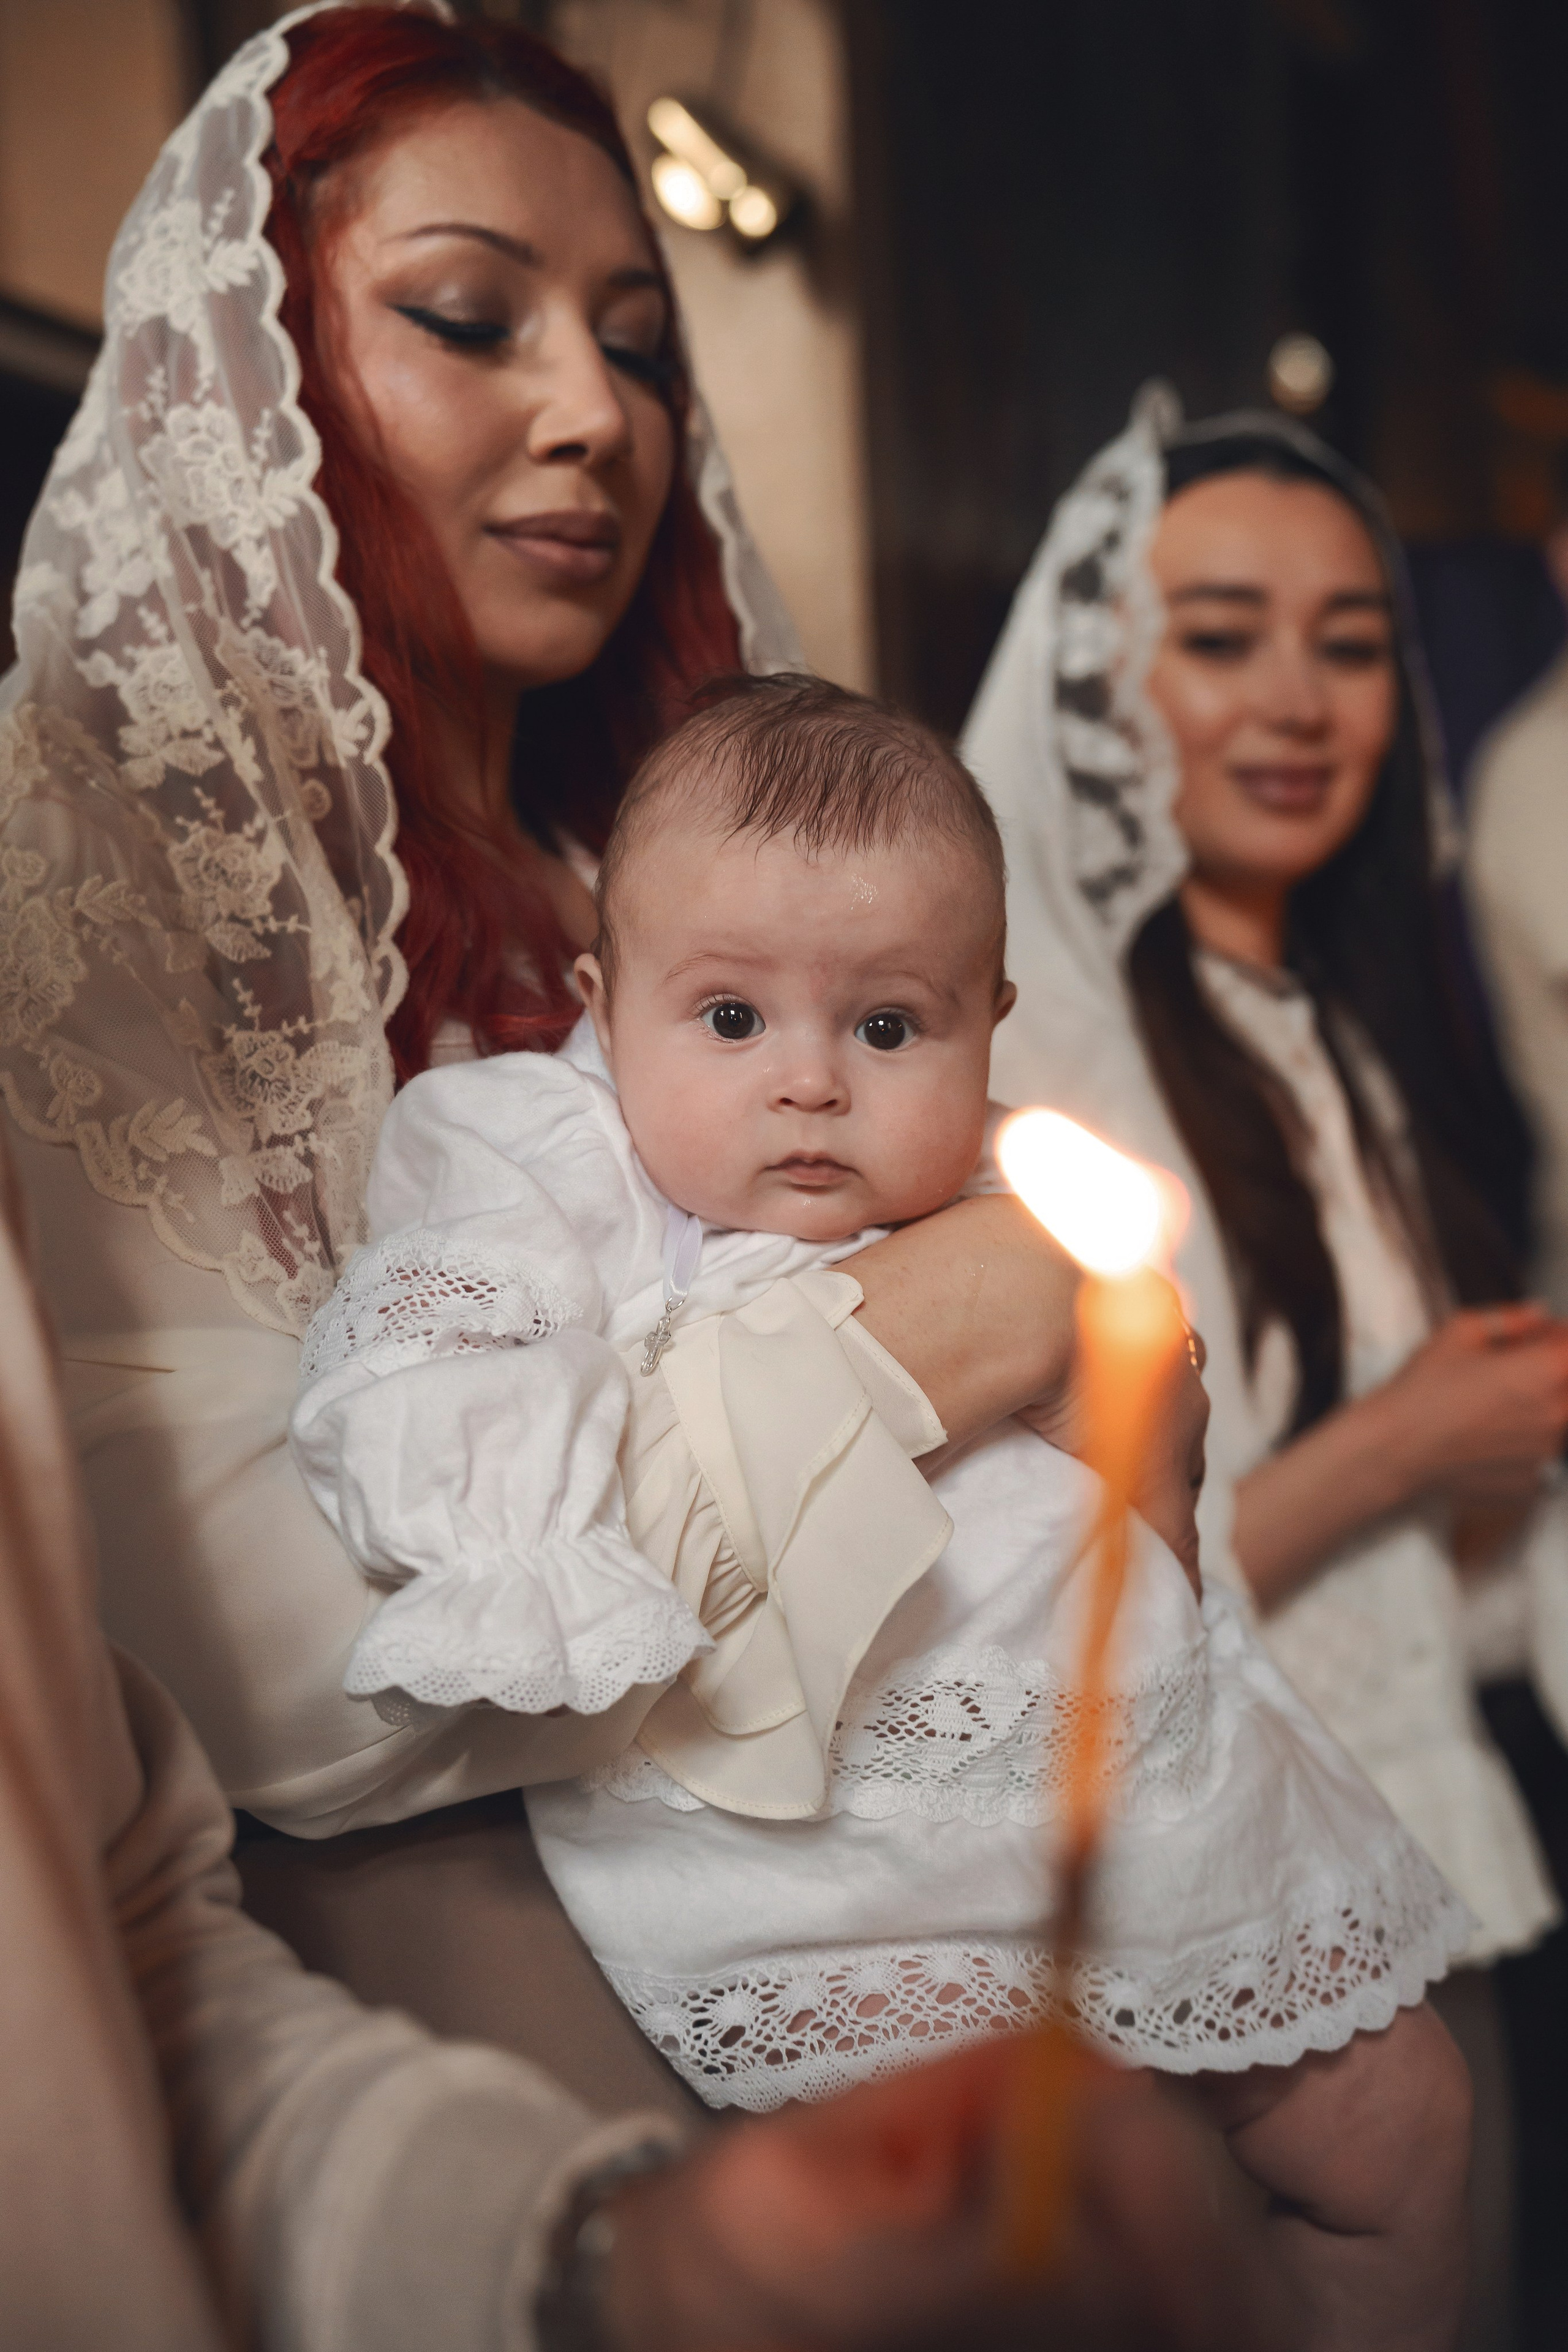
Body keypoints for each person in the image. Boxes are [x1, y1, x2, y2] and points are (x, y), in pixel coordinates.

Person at [0, 2, 1103, 2098]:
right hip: (389, 1979)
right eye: (468, 317)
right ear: (256, 379)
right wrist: (892, 1346)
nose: (597, 410)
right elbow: (246, 1650)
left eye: (636, 341)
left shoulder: (662, 869)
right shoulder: (83, 890)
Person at [292, 671, 1469, 2168]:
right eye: (729, 1016)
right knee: (1066, 2207)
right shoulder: (559, 1160)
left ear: (988, 1023)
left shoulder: (1010, 1185)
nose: (808, 1082)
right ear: (602, 1008)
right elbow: (453, 1359)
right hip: (837, 1852)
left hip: (1144, 1792)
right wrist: (506, 1543)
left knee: (1408, 2128)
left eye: (890, 1026)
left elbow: (1153, 1466)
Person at [0, 1117, 1341, 2352]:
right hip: (546, 1920)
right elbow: (238, 1637)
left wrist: (619, 2259)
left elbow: (116, 1964)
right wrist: (923, 1329)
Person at [964, 386, 1568, 2342]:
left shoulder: (1339, 1028)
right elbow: (1058, 1609)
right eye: (1220, 638)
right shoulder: (1037, 1076)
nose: (1296, 701)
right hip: (1232, 1923)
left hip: (1441, 1839)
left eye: (1351, 641)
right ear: (1096, 673)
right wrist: (1402, 1445)